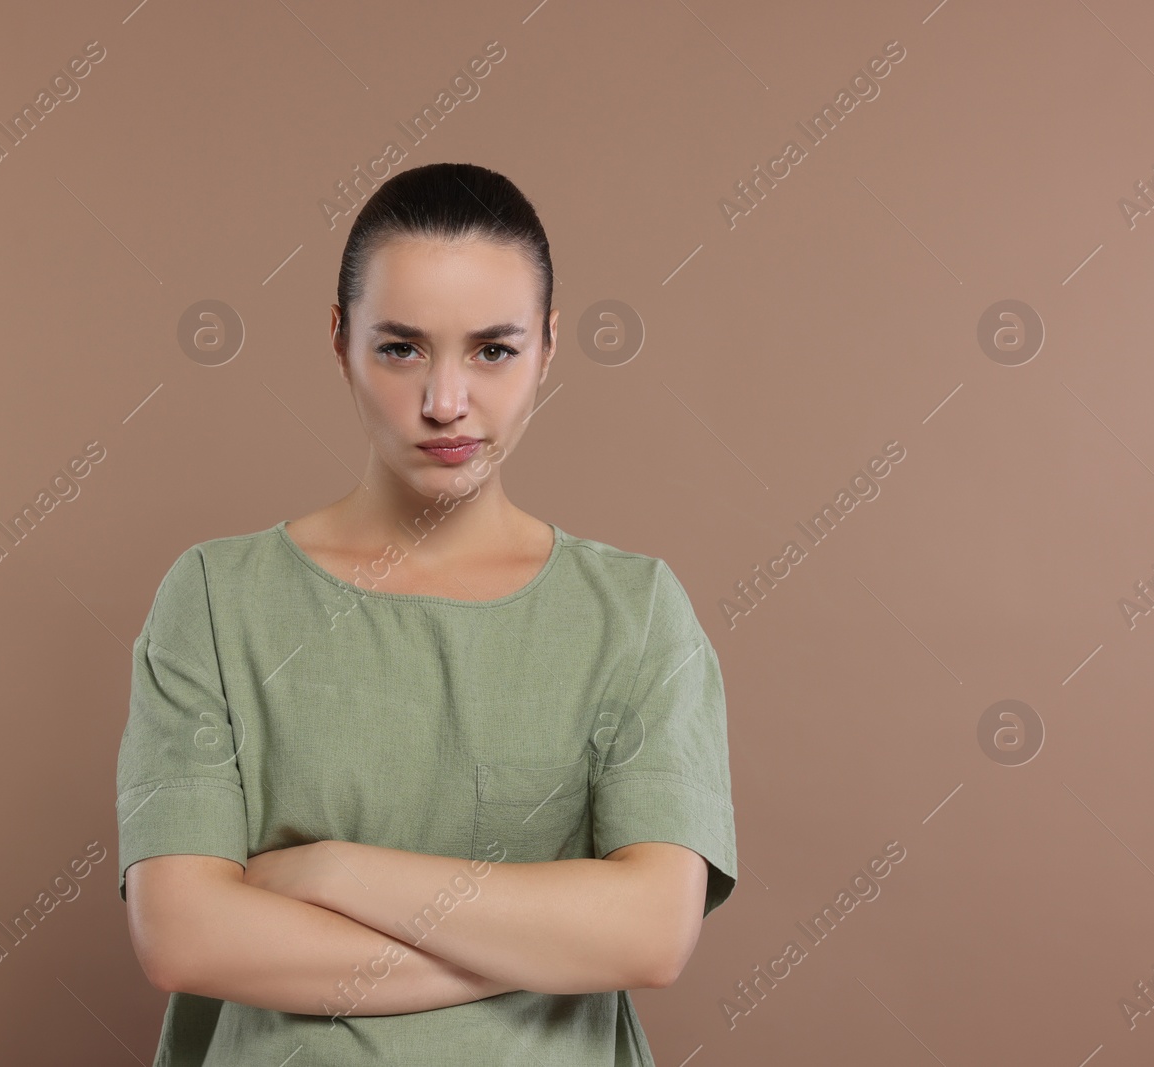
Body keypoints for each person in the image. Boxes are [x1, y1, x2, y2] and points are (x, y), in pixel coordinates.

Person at [115, 161, 738, 1065]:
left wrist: (333, 869)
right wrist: (536, 942)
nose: (446, 402)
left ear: (550, 345)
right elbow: (183, 937)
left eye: (494, 349)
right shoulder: (217, 597)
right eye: (401, 347)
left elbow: (650, 933)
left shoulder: (634, 613)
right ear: (339, 338)